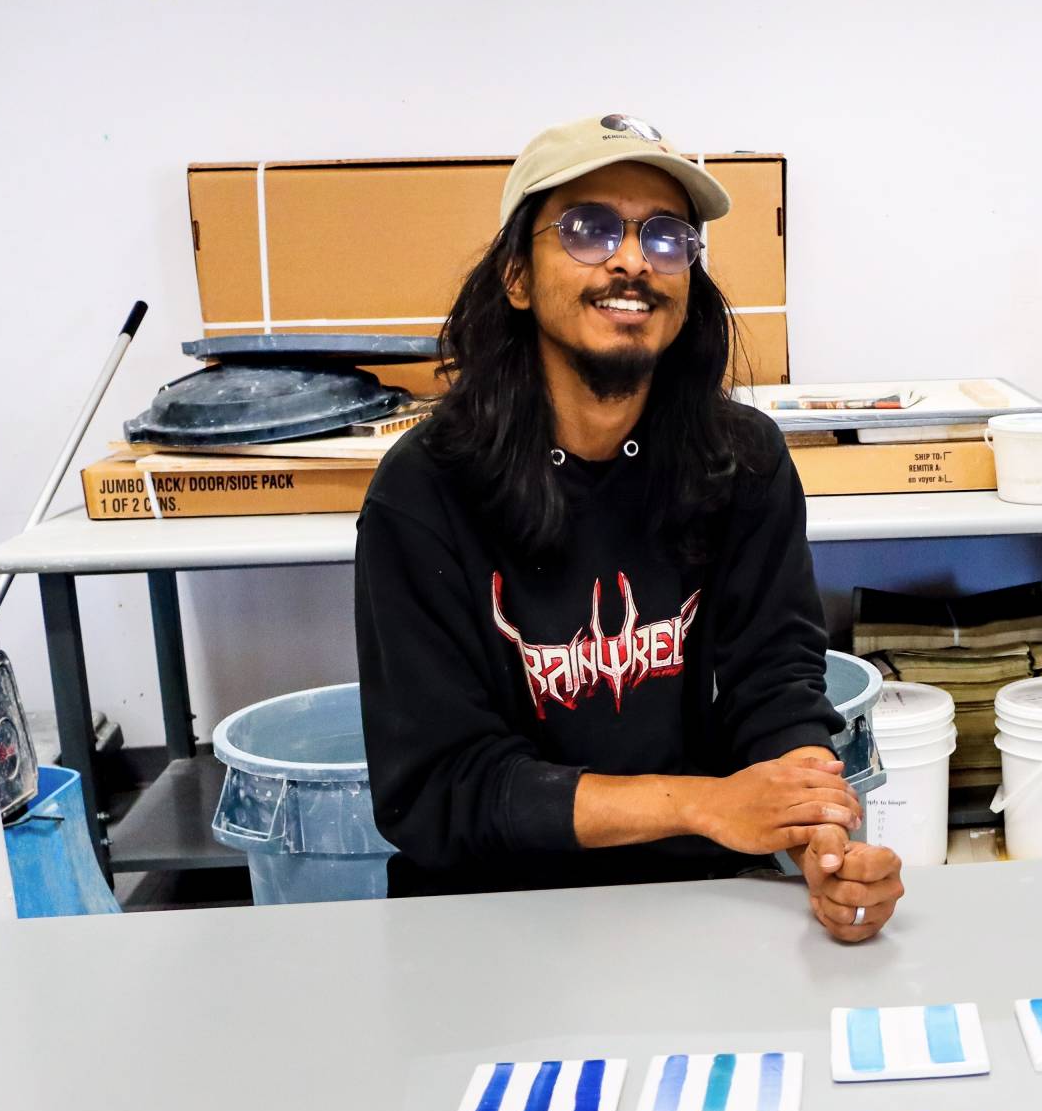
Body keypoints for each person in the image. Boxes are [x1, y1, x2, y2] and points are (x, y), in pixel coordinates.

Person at [354, 113, 902, 937]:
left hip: (703, 900)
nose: (633, 260)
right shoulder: (425, 491)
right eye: (588, 229)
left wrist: (820, 844)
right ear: (516, 276)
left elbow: (775, 686)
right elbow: (441, 789)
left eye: (668, 236)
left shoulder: (740, 461)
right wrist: (708, 805)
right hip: (488, 921)